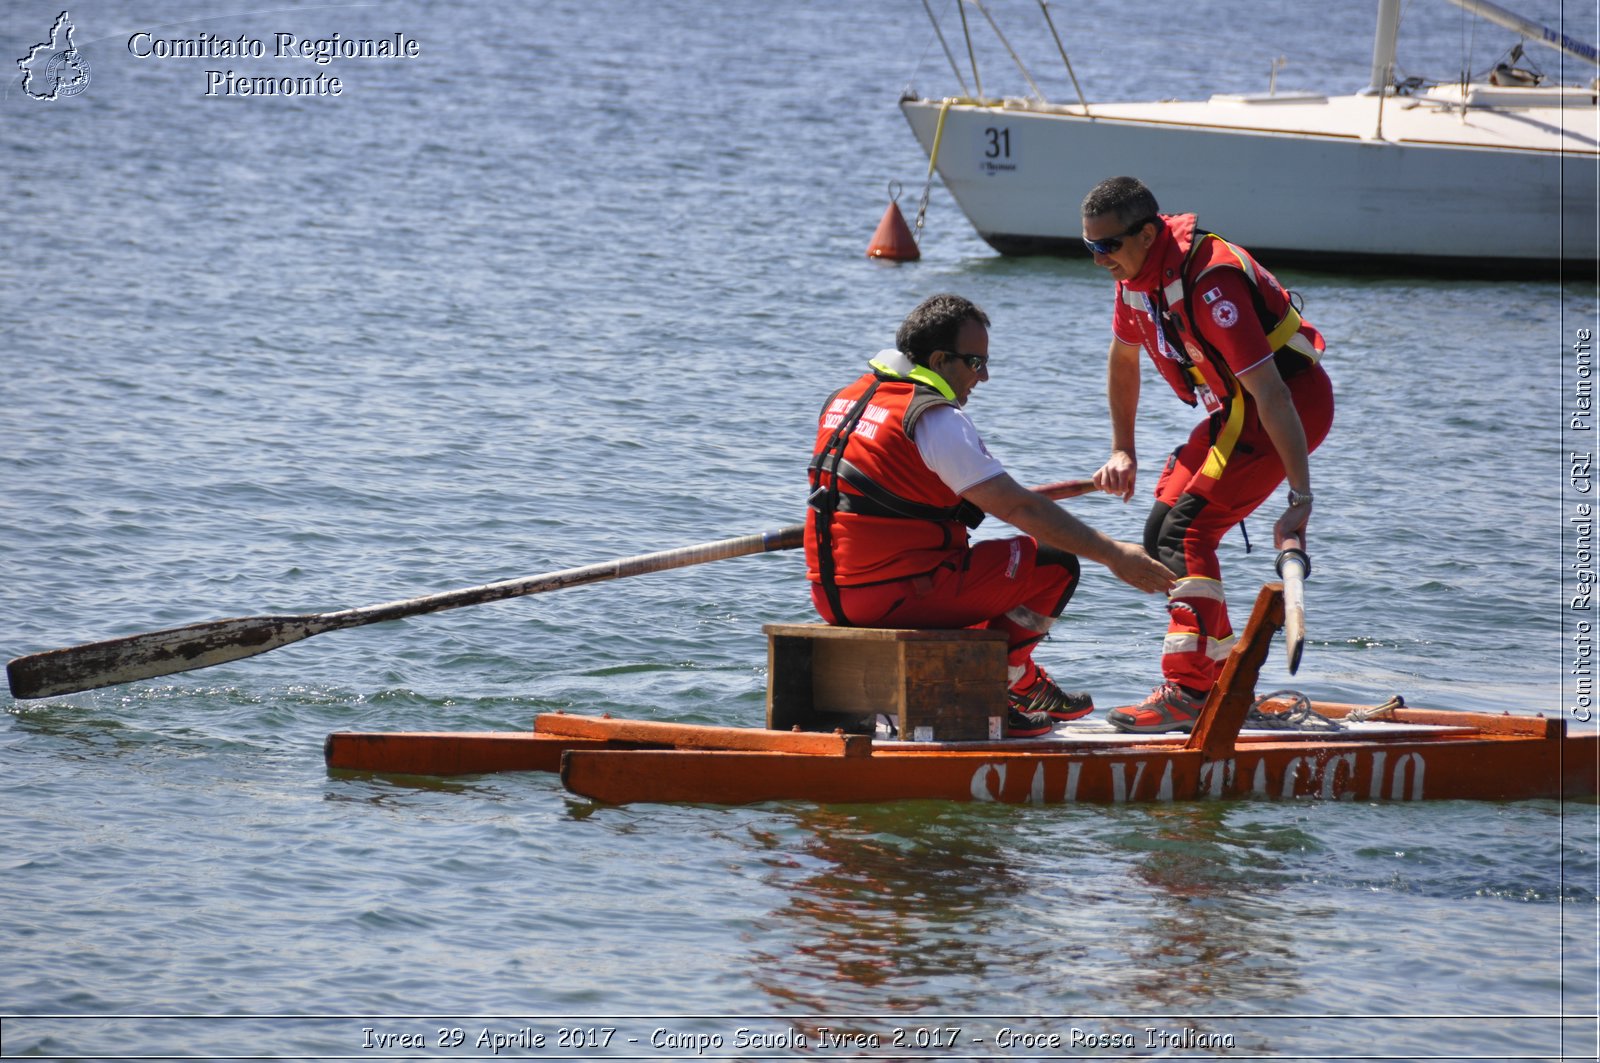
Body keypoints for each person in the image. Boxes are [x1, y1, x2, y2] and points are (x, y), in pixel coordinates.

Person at [805, 292, 1176, 738]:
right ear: (941, 360)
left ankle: (1020, 678)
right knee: (1054, 562)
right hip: (897, 596)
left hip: (832, 596)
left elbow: (933, 497)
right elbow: (1017, 507)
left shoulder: (845, 400)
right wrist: (1115, 554)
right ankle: (1005, 685)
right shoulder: (934, 418)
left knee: (991, 570)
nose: (983, 378)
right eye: (976, 363)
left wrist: (1065, 491)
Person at [1081, 176, 1335, 734]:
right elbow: (1124, 361)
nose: (1100, 261)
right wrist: (1123, 448)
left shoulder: (1212, 281)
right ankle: (1219, 683)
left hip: (1287, 407)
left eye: (1108, 247)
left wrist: (1300, 497)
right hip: (1237, 414)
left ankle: (1191, 691)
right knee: (1160, 531)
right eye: (1089, 248)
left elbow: (1271, 392)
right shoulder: (1136, 280)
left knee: (1184, 533)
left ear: (1147, 235)